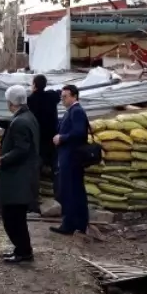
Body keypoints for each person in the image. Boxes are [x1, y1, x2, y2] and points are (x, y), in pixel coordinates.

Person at [0, 85, 41, 264]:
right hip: (23, 176)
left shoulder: (20, 122)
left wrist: (1, 159)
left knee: (13, 219)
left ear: (11, 103)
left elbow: (21, 150)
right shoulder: (28, 117)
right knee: (16, 218)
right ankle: (22, 250)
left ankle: (24, 253)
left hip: (17, 178)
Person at [52, 84, 90, 235]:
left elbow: (79, 133)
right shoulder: (71, 111)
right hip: (70, 157)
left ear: (74, 96)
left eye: (65, 96)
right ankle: (78, 223)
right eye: (61, 97)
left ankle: (70, 224)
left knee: (70, 191)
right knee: (74, 190)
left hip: (72, 157)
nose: (62, 99)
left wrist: (62, 137)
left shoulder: (77, 111)